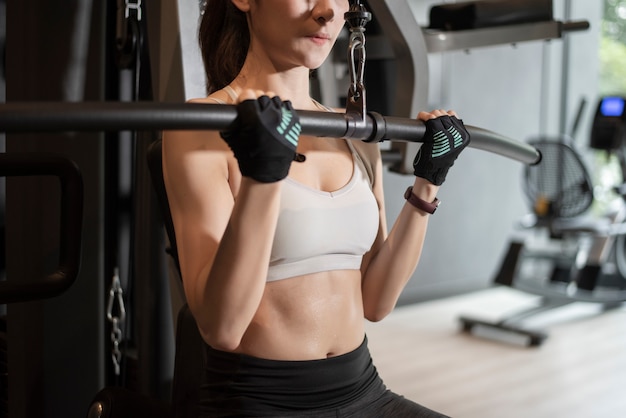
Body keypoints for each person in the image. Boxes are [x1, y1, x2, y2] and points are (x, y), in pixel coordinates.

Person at [161, 0, 470, 416]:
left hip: (363, 390)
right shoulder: (202, 125)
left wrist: (428, 181)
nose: (328, 10)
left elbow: (376, 301)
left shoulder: (354, 133)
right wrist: (263, 176)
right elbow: (221, 327)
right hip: (260, 399)